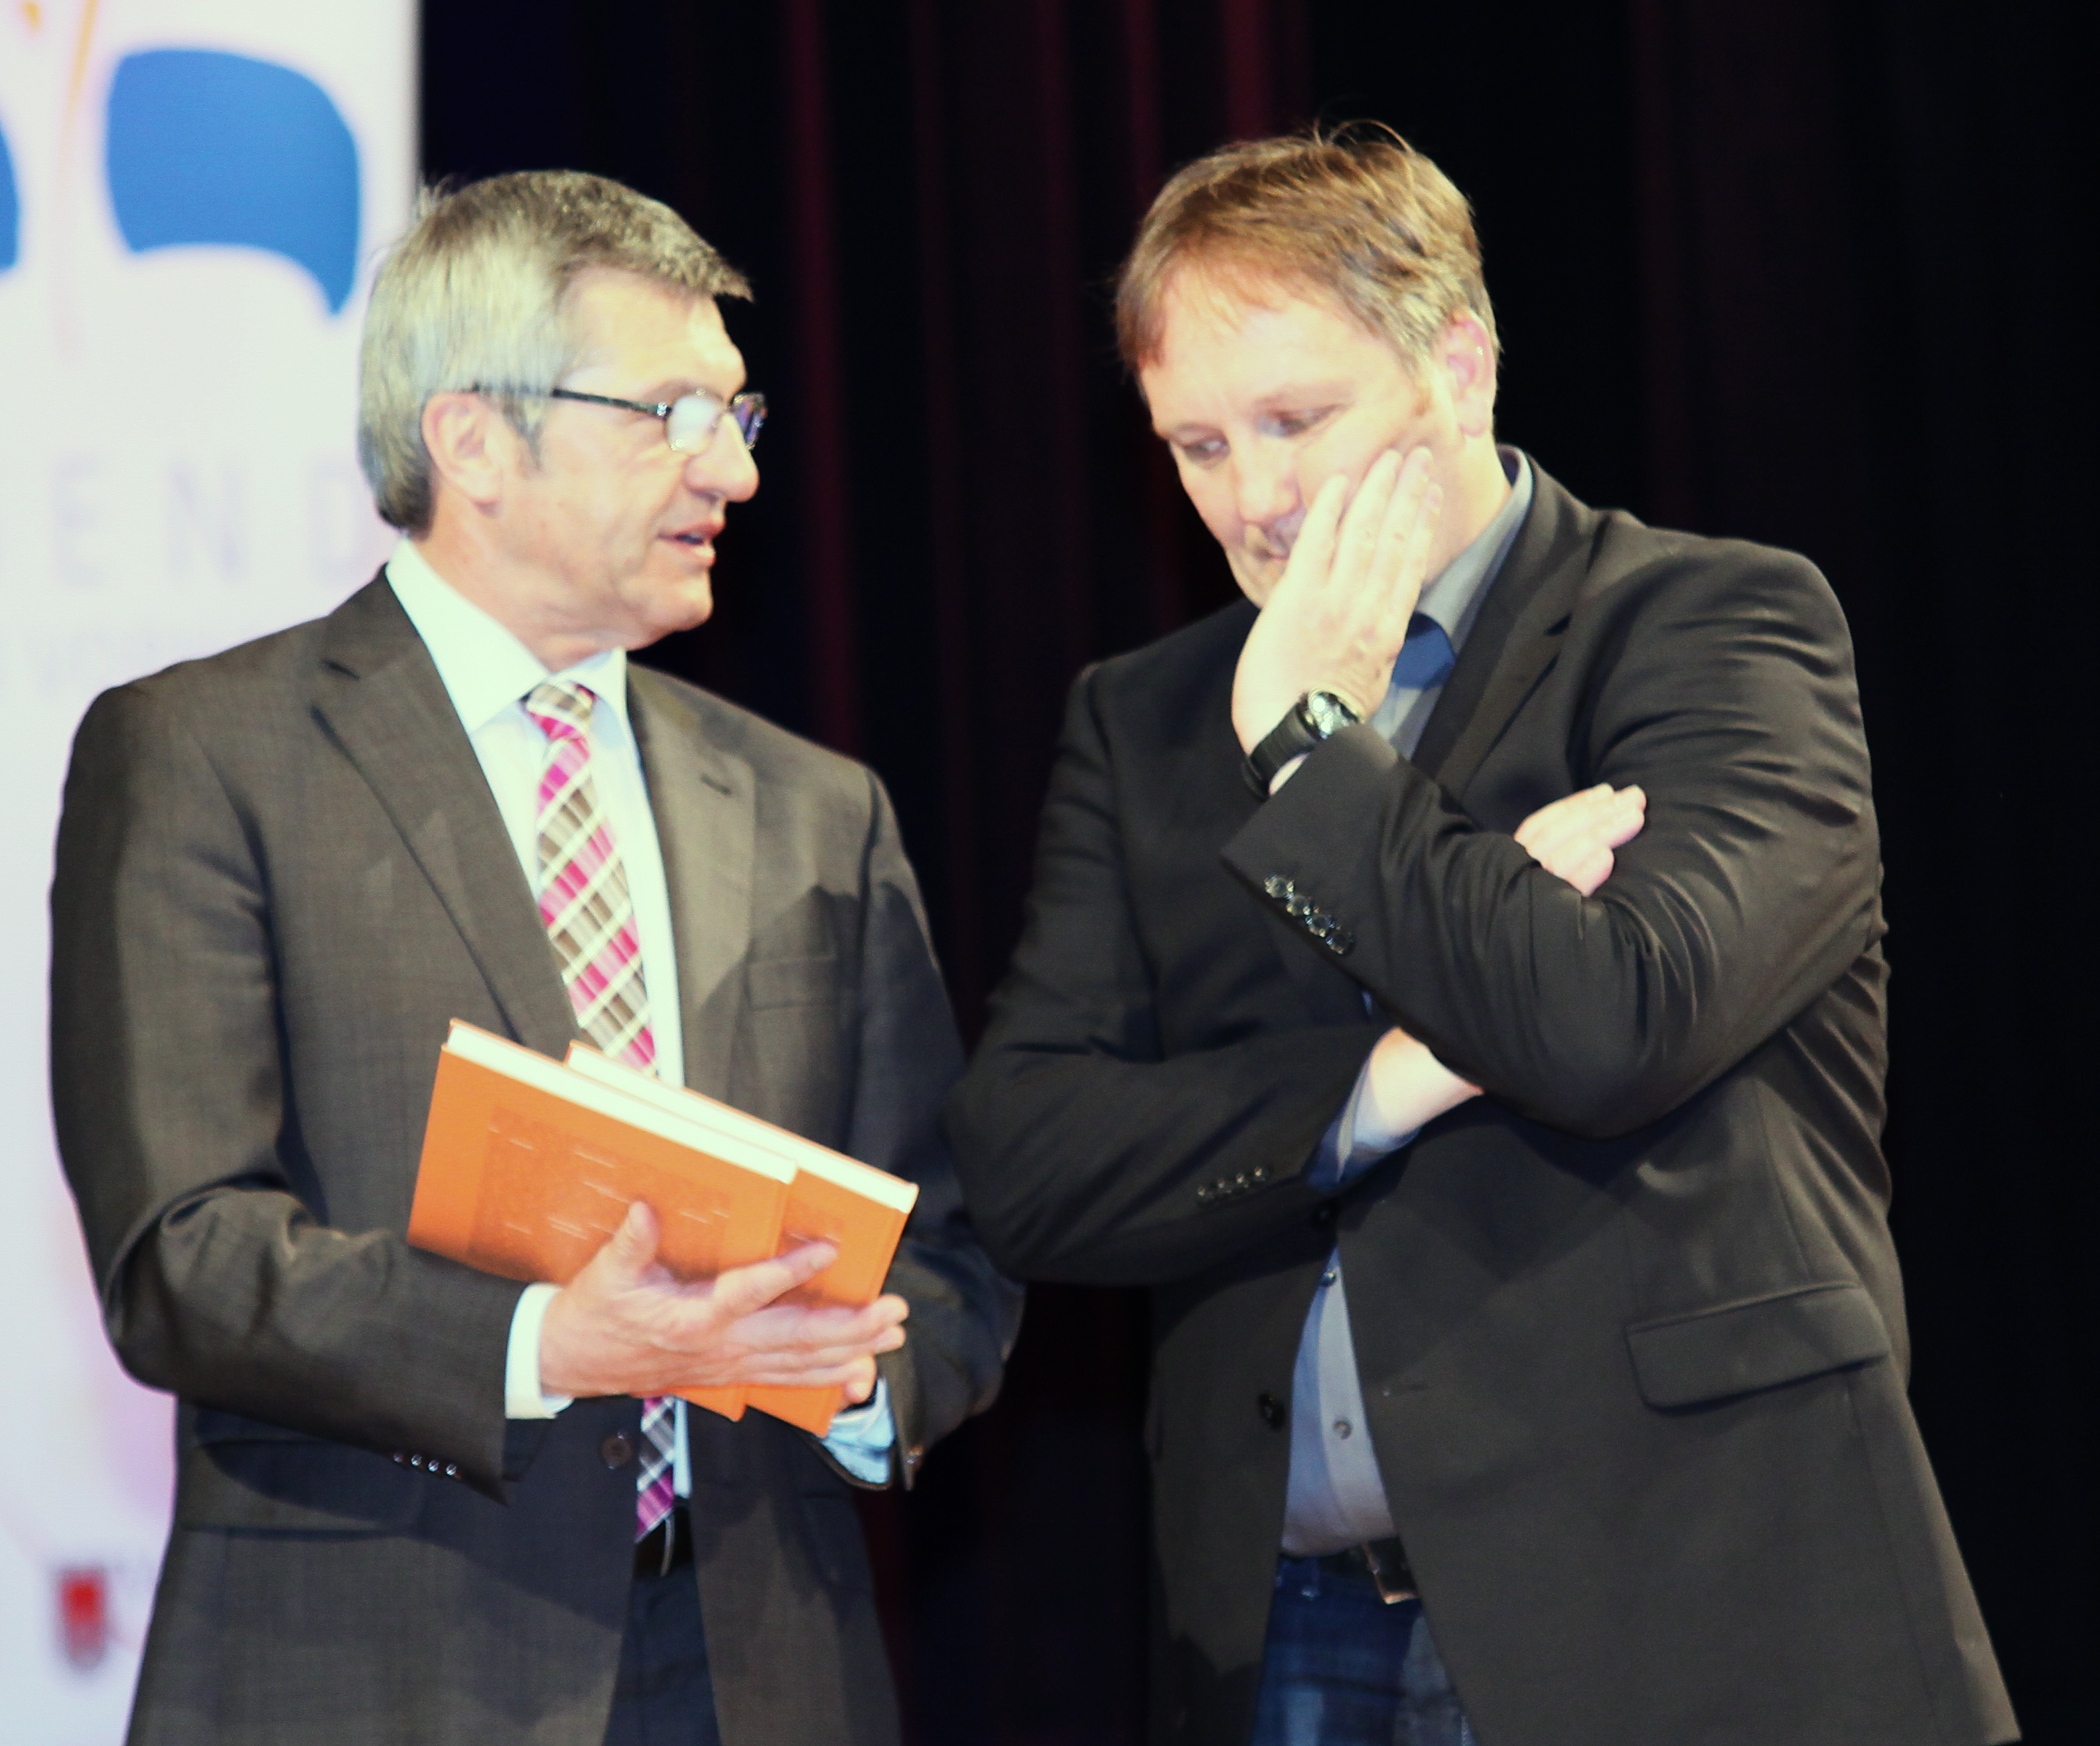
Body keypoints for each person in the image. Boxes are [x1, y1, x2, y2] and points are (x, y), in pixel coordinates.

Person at [947, 129, 2014, 1746]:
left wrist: (1310, 750)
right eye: (1196, 444)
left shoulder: (1711, 623)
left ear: (1458, 363)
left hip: (1681, 1590)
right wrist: (1385, 1078)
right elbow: (1027, 1157)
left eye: (1295, 420)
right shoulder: (1144, 716)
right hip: (1286, 1624)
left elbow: (1611, 1024)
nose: (1252, 496)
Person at [50, 170, 1018, 1746]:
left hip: (760, 1669)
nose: (733, 470)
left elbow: (951, 1248)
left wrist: (849, 1375)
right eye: (669, 412)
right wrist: (542, 1343)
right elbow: (183, 1253)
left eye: (737, 414)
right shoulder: (205, 756)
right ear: (474, 440)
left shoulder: (813, 806)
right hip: (377, 1667)